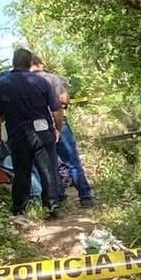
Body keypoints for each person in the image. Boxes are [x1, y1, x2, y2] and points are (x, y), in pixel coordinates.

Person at [0, 49, 64, 219]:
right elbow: (57, 109)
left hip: (17, 134)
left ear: (13, 62)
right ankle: (52, 207)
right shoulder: (40, 82)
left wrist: (3, 133)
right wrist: (57, 129)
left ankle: (19, 209)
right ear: (30, 63)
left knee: (21, 172)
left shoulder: (2, 84)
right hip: (42, 131)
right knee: (48, 171)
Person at [31, 56, 96, 208]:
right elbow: (64, 99)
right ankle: (85, 196)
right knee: (72, 161)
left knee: (47, 165)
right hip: (58, 123)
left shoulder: (24, 83)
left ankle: (57, 199)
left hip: (38, 128)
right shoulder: (52, 78)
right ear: (40, 64)